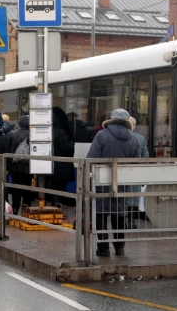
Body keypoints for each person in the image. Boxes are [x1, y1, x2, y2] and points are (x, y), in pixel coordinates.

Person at [88, 109, 141, 257]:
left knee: (101, 214)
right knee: (119, 214)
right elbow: (135, 164)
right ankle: (120, 248)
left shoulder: (101, 135)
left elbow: (91, 158)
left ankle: (103, 248)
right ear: (127, 120)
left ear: (111, 119)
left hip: (101, 183)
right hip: (122, 184)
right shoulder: (134, 139)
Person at [50, 107, 77, 204]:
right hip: (60, 167)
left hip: (51, 167)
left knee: (53, 189)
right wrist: (72, 143)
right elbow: (68, 148)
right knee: (60, 189)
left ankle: (54, 207)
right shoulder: (61, 132)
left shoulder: (48, 131)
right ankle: (57, 209)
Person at [7, 114, 32, 214]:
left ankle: (16, 208)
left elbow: (9, 150)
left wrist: (9, 165)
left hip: (15, 166)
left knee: (16, 189)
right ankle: (26, 209)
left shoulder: (12, 134)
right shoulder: (32, 134)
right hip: (28, 167)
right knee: (27, 188)